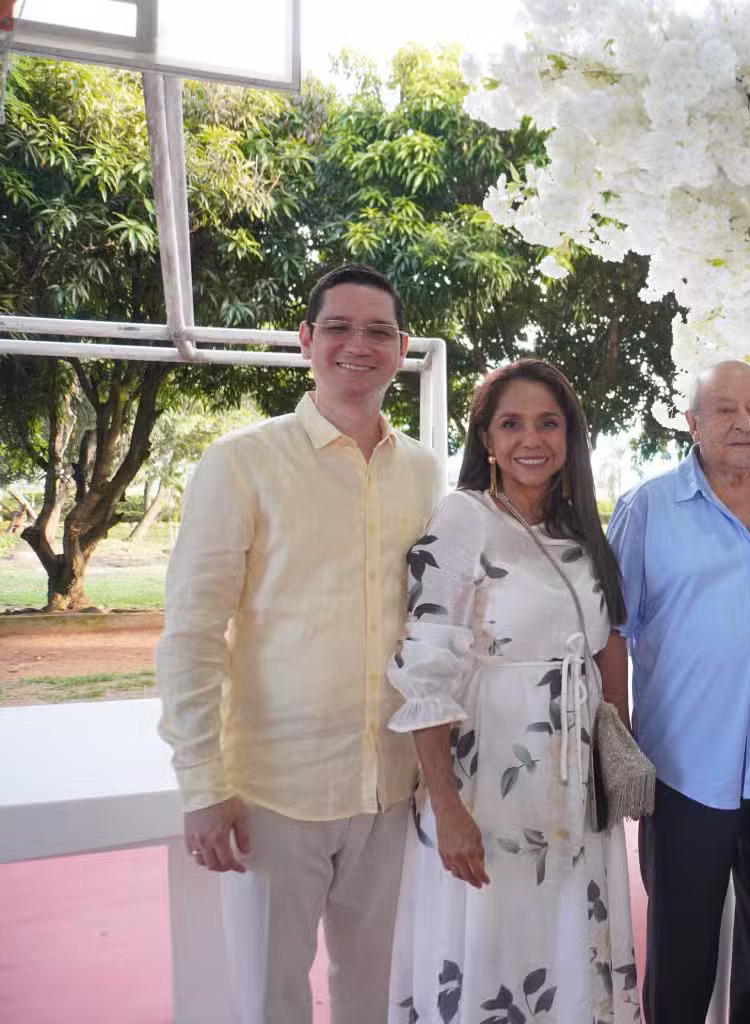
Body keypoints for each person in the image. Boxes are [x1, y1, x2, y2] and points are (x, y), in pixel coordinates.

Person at [156, 263, 443, 1024]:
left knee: (375, 996)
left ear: (402, 347)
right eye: (338, 328)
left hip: (391, 785)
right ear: (306, 340)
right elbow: (192, 632)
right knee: (270, 1002)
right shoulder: (241, 461)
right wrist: (201, 783)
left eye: (378, 331)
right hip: (274, 793)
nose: (359, 345)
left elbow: (433, 624)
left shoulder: (424, 472)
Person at [385, 359, 641, 1023]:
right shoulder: (463, 517)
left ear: (570, 435)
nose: (533, 439)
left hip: (573, 783)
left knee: (562, 937)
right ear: (487, 439)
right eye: (512, 424)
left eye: (548, 423)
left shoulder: (578, 529)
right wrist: (447, 806)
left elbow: (606, 642)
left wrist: (617, 756)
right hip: (487, 777)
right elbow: (425, 665)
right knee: (492, 941)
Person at [606, 360, 750, 1024]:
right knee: (680, 962)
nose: (744, 423)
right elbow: (611, 629)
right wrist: (618, 742)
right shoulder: (648, 509)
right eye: (725, 409)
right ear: (692, 423)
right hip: (685, 775)